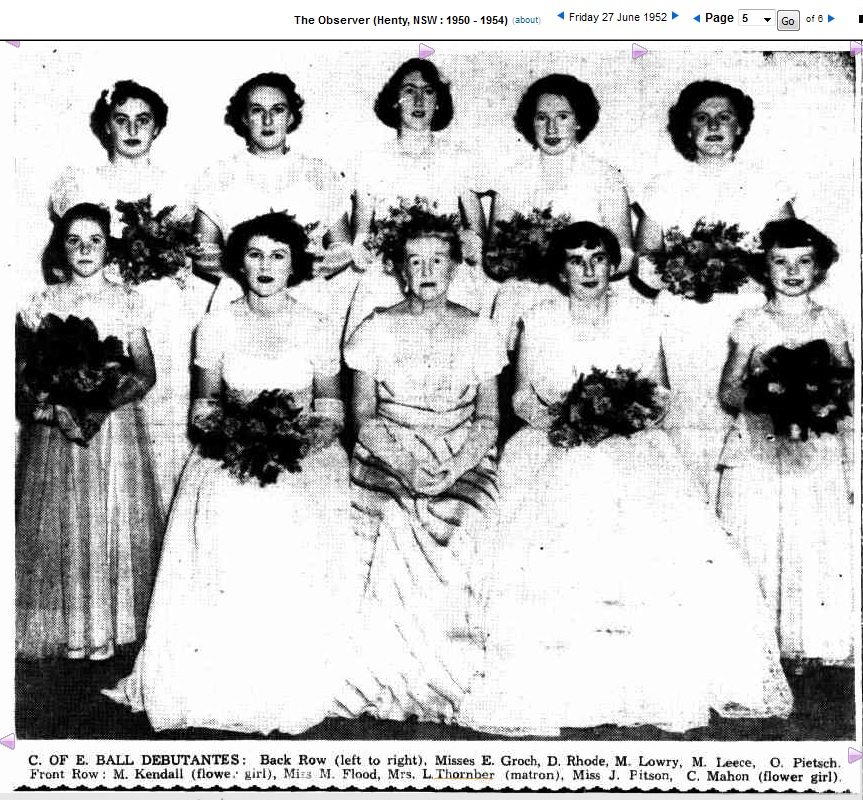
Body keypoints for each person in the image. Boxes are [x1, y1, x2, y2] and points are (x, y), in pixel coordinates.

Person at [458, 222, 793, 735]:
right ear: (561, 269)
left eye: (598, 257)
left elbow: (658, 394)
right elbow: (522, 398)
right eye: (576, 260)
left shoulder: (640, 315)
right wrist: (568, 423)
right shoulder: (539, 317)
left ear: (614, 264)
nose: (588, 269)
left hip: (630, 445)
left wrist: (623, 419)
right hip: (556, 444)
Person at [103, 213, 360, 733]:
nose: (265, 266)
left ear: (296, 264)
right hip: (231, 456)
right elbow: (203, 411)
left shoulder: (317, 324)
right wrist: (243, 441)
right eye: (254, 254)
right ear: (238, 263)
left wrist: (289, 444)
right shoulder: (216, 323)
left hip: (302, 459)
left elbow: (333, 411)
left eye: (278, 255)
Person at [343, 208, 506, 721]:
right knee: (395, 517)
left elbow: (488, 419)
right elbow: (364, 417)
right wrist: (407, 468)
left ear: (456, 265)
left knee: (469, 519)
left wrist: (455, 469)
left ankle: (456, 673)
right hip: (389, 454)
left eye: (438, 259)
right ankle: (391, 673)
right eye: (414, 261)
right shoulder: (375, 328)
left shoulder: (479, 329)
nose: (427, 271)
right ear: (399, 268)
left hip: (461, 455)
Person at [51, 79, 210, 515]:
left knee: (166, 414)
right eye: (122, 120)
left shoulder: (177, 186)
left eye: (144, 120)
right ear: (106, 128)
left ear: (157, 128)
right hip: (104, 311)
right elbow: (65, 256)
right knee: (106, 414)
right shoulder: (81, 182)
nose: (133, 129)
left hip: (165, 312)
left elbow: (187, 259)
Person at [635, 80, 794, 502]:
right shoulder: (664, 184)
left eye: (724, 117)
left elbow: (790, 250)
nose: (713, 127)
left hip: (745, 314)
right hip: (683, 317)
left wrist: (742, 268)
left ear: (740, 128)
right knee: (688, 414)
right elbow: (646, 256)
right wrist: (671, 269)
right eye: (701, 118)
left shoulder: (766, 184)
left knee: (745, 413)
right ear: (687, 130)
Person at [16, 203, 161, 661]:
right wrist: (50, 404)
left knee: (108, 519)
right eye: (73, 240)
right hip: (59, 436)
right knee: (66, 522)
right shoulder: (42, 304)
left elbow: (145, 372)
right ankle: (71, 629)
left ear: (109, 247)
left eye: (94, 240)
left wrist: (99, 401)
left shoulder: (125, 300)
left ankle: (108, 626)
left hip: (113, 432)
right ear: (60, 247)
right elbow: (26, 375)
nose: (84, 249)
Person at [717, 219, 854, 667]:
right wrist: (765, 393)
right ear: (764, 268)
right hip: (761, 442)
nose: (792, 271)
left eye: (804, 262)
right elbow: (728, 390)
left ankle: (811, 641)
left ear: (819, 268)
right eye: (780, 261)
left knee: (809, 530)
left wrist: (816, 396)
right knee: (760, 529)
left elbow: (846, 383)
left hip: (812, 445)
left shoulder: (831, 321)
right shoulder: (751, 321)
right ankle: (762, 643)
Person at [346, 58, 496, 341]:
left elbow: (477, 232)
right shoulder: (370, 160)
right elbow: (362, 234)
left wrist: (466, 241)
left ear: (438, 101)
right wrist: (371, 246)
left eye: (428, 91)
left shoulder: (460, 158)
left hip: (447, 272)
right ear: (395, 100)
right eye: (409, 90)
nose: (418, 100)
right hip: (390, 273)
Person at [194, 72, 356, 331]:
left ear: (291, 116)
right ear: (245, 118)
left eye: (278, 110)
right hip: (237, 299)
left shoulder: (320, 173)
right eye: (257, 111)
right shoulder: (219, 175)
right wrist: (247, 272)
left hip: (307, 300)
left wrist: (301, 270)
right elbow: (202, 252)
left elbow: (343, 245)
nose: (268, 120)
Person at [488, 73, 635, 353]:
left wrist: (575, 263)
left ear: (579, 121)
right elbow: (494, 259)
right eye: (542, 118)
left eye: (563, 117)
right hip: (521, 299)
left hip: (585, 300)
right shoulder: (511, 177)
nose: (552, 128)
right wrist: (530, 256)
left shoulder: (606, 176)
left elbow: (625, 256)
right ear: (531, 123)